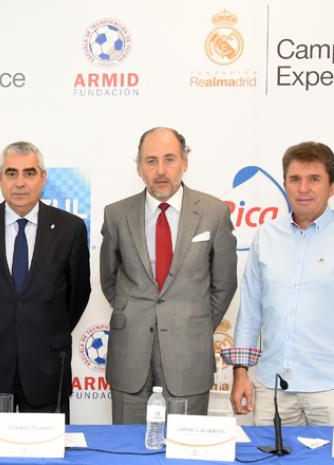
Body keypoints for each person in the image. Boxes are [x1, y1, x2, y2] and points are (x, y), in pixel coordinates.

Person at [222, 141, 334, 425]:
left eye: (314, 179)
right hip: (271, 389)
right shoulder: (265, 237)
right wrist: (240, 372)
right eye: (295, 179)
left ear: (332, 187)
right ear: (285, 184)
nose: (303, 189)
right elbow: (250, 312)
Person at [100, 127, 237, 423]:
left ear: (184, 163)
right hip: (130, 352)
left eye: (169, 159)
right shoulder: (116, 214)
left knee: (185, 449)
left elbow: (224, 284)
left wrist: (193, 322)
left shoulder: (214, 212)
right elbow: (109, 279)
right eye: (151, 161)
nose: (161, 170)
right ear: (139, 168)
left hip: (188, 354)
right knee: (128, 450)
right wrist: (135, 312)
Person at [0, 141, 90, 423]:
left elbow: (77, 295)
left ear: (43, 177)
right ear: (0, 178)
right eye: (11, 173)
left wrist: (42, 330)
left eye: (29, 173)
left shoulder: (70, 229)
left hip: (47, 369)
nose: (20, 183)